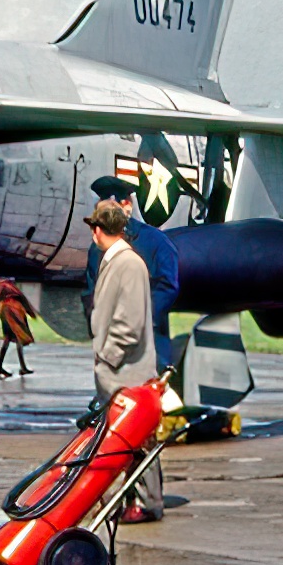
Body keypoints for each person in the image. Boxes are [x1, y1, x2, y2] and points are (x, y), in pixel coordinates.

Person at [86, 199, 162, 523]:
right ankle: (130, 500)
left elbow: (129, 324)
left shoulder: (128, 264)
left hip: (127, 370)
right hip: (120, 369)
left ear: (97, 230)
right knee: (124, 441)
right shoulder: (117, 260)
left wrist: (107, 357)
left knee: (137, 440)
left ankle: (146, 504)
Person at [84, 175, 181, 369]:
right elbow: (91, 289)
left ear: (127, 205)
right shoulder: (98, 247)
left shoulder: (155, 241)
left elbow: (167, 286)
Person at [0, 279, 37, 377]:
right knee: (11, 338)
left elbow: (22, 299)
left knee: (11, 339)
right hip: (9, 313)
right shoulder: (3, 285)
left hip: (17, 312)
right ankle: (17, 367)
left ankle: (3, 366)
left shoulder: (11, 284)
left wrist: (29, 311)